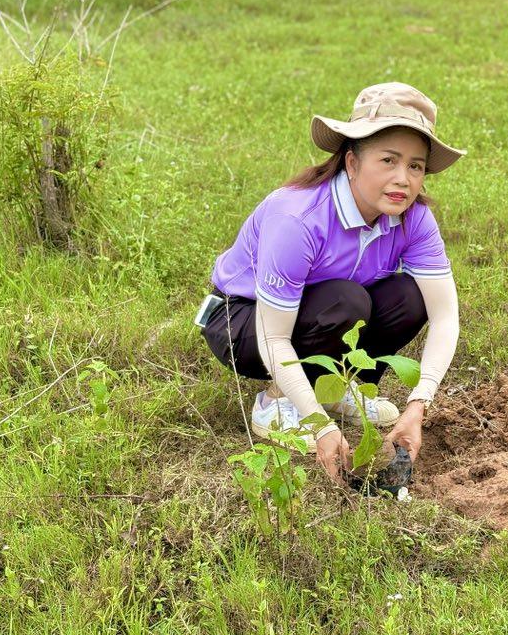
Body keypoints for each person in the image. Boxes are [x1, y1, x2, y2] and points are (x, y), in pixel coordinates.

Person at [199, 83, 465, 482]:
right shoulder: (298, 218)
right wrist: (321, 429)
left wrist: (418, 404)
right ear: (352, 163)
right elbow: (274, 339)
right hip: (243, 322)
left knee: (410, 296)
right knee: (347, 300)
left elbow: (445, 317)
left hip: (320, 311)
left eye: (415, 166)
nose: (403, 179)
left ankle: (333, 390)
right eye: (388, 160)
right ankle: (278, 403)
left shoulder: (414, 218)